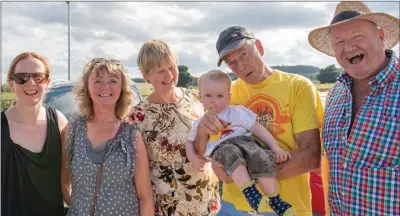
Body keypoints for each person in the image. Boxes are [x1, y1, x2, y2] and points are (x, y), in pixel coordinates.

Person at [193, 26, 324, 216]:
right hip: (233, 206)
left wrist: (239, 173)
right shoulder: (224, 94)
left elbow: (310, 158)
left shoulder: (298, 86)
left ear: (259, 47)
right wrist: (202, 133)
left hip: (287, 207)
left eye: (243, 54)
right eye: (232, 62)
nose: (240, 66)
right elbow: (201, 153)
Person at [308, 1, 400, 215]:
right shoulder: (335, 95)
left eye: (358, 36)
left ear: (380, 37)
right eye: (339, 41)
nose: (348, 47)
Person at [127, 40, 220, 215]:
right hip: (167, 209)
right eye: (161, 70)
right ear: (146, 75)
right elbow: (138, 174)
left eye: (172, 67)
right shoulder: (137, 117)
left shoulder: (197, 98)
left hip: (207, 203)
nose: (169, 75)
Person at [186, 70, 295, 216]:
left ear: (229, 97)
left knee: (261, 155)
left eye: (220, 96)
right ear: (200, 97)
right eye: (208, 95)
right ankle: (251, 194)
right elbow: (189, 142)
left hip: (246, 143)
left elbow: (257, 128)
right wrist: (193, 157)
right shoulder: (200, 122)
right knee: (229, 152)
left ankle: (275, 200)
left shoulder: (238, 112)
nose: (214, 101)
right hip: (222, 148)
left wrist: (275, 147)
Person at [65, 58, 154, 216]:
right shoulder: (73, 129)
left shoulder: (131, 135)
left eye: (113, 80)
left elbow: (145, 196)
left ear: (122, 88)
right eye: (98, 80)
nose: (105, 87)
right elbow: (64, 182)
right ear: (87, 87)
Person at [1, 52, 69, 216]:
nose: (30, 82)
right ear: (11, 83)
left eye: (38, 77)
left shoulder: (59, 123)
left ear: (47, 82)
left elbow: (67, 184)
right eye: (21, 77)